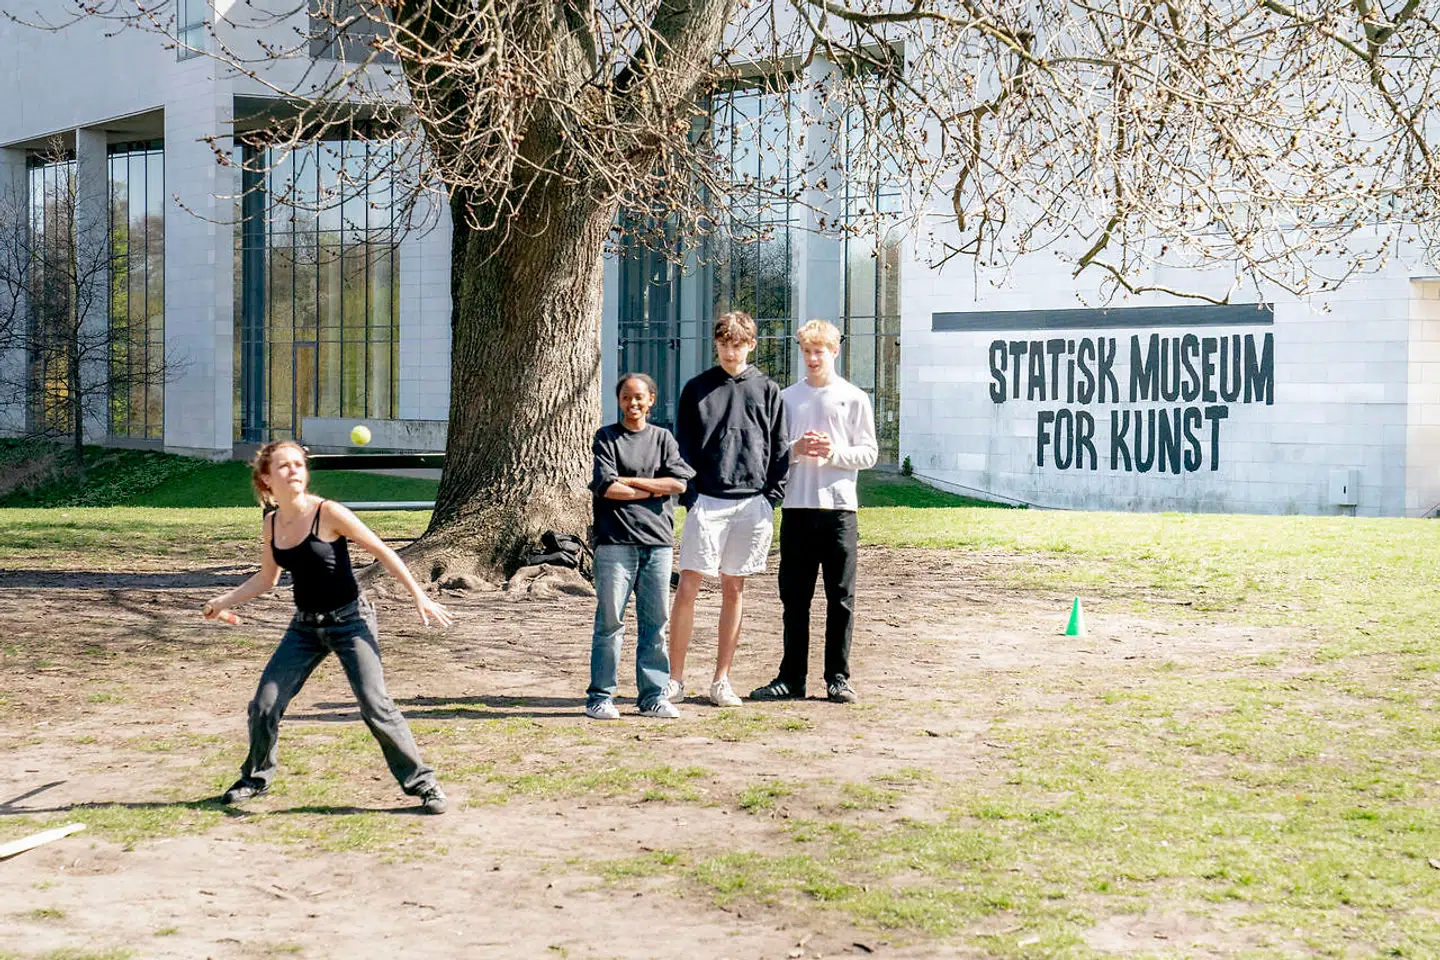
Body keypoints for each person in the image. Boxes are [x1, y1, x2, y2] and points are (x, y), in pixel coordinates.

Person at [204, 440, 453, 814]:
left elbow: (383, 551)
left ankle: (425, 784)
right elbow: (267, 579)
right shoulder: (272, 523)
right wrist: (223, 601)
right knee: (264, 705)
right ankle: (255, 778)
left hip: (351, 621)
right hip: (304, 628)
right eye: (283, 466)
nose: (294, 471)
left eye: (298, 465)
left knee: (375, 704)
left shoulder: (327, 513)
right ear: (266, 479)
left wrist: (419, 595)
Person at [750, 319, 877, 704]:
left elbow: (869, 453)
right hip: (797, 509)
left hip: (839, 510)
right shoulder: (788, 398)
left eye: (819, 351)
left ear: (834, 351)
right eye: (806, 351)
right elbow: (772, 455)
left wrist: (834, 453)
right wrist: (797, 449)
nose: (812, 358)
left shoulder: (854, 397)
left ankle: (838, 678)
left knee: (840, 597)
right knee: (795, 597)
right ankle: (792, 678)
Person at [667, 311, 789, 707]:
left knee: (733, 587)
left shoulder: (768, 390)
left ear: (751, 344)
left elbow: (780, 449)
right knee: (688, 586)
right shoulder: (696, 389)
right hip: (706, 502)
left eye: (738, 344)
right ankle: (675, 679)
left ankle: (722, 680)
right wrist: (691, 497)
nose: (731, 351)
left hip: (752, 503)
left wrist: (770, 498)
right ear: (715, 343)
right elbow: (681, 449)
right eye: (724, 343)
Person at [586, 373, 695, 720]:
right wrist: (652, 489)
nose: (633, 404)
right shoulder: (606, 438)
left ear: (651, 400)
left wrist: (631, 481)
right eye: (626, 398)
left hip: (658, 544)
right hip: (615, 543)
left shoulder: (663, 439)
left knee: (655, 624)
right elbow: (606, 487)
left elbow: (678, 483)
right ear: (619, 401)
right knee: (610, 623)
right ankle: (600, 697)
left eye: (639, 398)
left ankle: (652, 695)